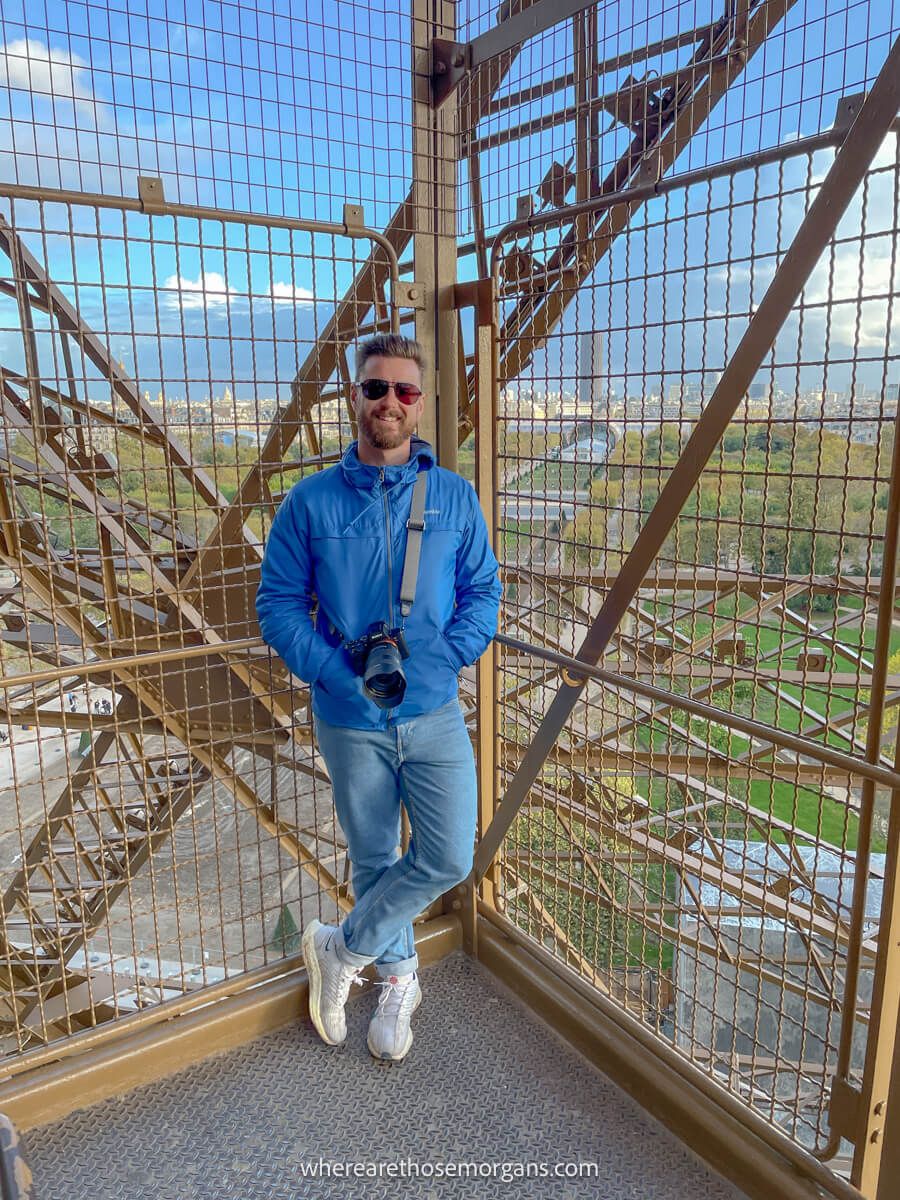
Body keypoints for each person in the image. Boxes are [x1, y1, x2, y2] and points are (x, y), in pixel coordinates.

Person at [256, 333, 501, 1063]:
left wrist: (444, 657)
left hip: (431, 711)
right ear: (355, 399)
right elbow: (277, 604)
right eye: (375, 389)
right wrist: (336, 671)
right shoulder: (310, 502)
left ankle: (342, 946)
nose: (389, 401)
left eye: (404, 390)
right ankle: (397, 980)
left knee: (450, 854)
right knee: (372, 854)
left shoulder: (454, 497)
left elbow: (484, 593)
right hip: (348, 715)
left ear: (420, 404)